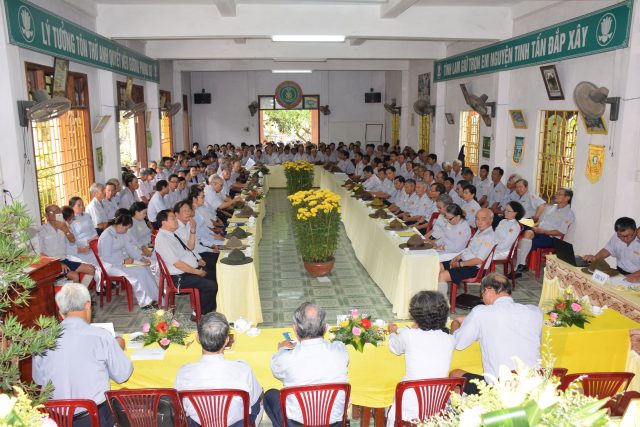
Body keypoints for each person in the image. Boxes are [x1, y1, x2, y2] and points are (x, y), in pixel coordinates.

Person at [33, 283, 133, 427]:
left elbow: (38, 379)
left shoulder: (41, 338)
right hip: (93, 418)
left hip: (54, 419)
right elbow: (123, 375)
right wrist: (116, 348)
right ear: (87, 305)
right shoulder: (101, 337)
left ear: (61, 312)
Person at [449, 273, 543, 395]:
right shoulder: (535, 312)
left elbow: (458, 343)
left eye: (482, 293)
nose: (482, 298)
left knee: (455, 375)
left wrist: (455, 323)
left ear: (488, 290)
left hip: (502, 389)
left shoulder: (481, 312)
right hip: (534, 385)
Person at [264, 303, 349, 427]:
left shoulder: (285, 359)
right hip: (334, 423)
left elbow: (276, 370)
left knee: (270, 395)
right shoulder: (340, 351)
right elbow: (337, 345)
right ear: (325, 328)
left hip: (297, 424)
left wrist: (282, 348)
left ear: (295, 330)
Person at [175, 312, 263, 427]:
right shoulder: (243, 370)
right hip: (236, 424)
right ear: (226, 341)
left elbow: (179, 406)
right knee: (259, 398)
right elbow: (254, 399)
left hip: (198, 424)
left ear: (197, 338)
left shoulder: (184, 372)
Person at [386, 291, 454, 426]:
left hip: (409, 408)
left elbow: (394, 348)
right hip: (438, 408)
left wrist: (392, 333)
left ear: (416, 314)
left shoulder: (408, 335)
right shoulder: (449, 339)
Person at [154, 209, 218, 317]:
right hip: (179, 277)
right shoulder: (163, 239)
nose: (176, 220)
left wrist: (192, 230)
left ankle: (209, 309)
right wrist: (197, 272)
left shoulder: (172, 234)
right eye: (173, 218)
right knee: (210, 285)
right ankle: (198, 314)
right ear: (164, 222)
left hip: (188, 271)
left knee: (216, 275)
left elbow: (190, 247)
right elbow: (177, 264)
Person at [97, 213, 159, 309]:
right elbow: (106, 257)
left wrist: (142, 259)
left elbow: (130, 249)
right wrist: (123, 261)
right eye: (126, 228)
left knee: (145, 267)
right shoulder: (107, 236)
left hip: (123, 261)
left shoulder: (122, 233)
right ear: (120, 225)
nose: (126, 231)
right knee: (139, 272)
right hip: (111, 265)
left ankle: (156, 296)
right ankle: (145, 302)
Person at [515, 188, 575, 275]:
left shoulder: (568, 213)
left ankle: (519, 267)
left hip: (551, 237)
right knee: (527, 234)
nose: (556, 195)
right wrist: (536, 226)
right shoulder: (553, 207)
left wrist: (543, 231)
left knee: (523, 242)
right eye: (556, 193)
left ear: (567, 198)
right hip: (540, 232)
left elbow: (561, 232)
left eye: (559, 194)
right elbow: (543, 222)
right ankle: (521, 265)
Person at [438, 208, 495, 294]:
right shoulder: (480, 231)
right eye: (477, 219)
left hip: (475, 268)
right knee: (438, 266)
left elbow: (479, 260)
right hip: (465, 262)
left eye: (483, 219)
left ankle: (440, 301)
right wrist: (459, 256)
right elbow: (469, 248)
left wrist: (459, 264)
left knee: (443, 275)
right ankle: (433, 294)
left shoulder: (489, 237)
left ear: (491, 220)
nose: (479, 222)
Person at [38, 205, 96, 286]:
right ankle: (64, 287)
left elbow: (72, 241)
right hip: (51, 264)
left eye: (57, 211)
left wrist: (65, 229)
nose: (55, 214)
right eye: (51, 212)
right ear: (47, 216)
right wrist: (57, 264)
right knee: (74, 276)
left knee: (91, 269)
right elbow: (40, 253)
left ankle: (81, 290)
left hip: (64, 259)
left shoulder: (64, 225)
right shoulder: (42, 230)